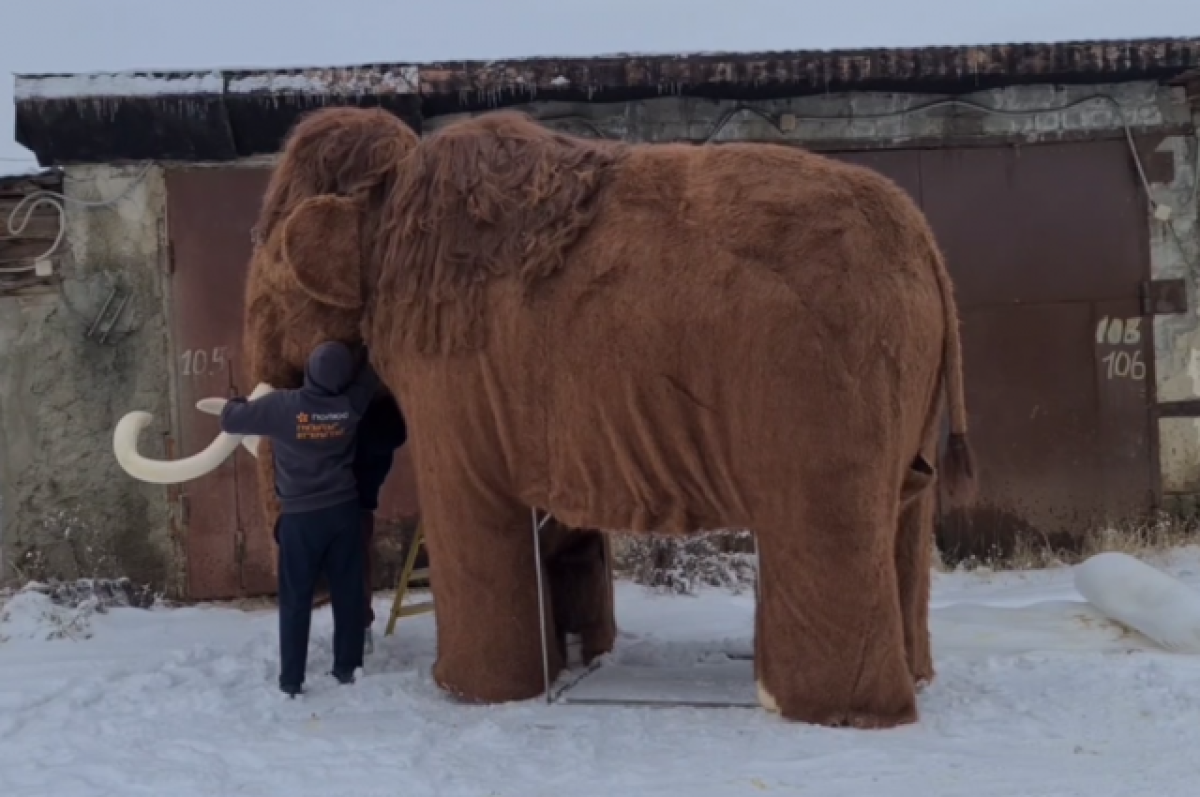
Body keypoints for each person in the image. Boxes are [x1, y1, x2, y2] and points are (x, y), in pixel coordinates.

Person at [218, 341, 379, 697]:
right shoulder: (350, 405)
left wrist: (241, 402)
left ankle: (292, 679)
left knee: (295, 600)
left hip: (300, 519)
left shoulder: (281, 407)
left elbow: (230, 420)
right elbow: (371, 375)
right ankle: (346, 667)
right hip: (344, 513)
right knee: (348, 592)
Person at [353, 389, 408, 654]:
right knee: (357, 564)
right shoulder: (386, 425)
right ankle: (359, 629)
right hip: (359, 502)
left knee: (353, 565)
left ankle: (357, 630)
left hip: (345, 501)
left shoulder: (370, 418)